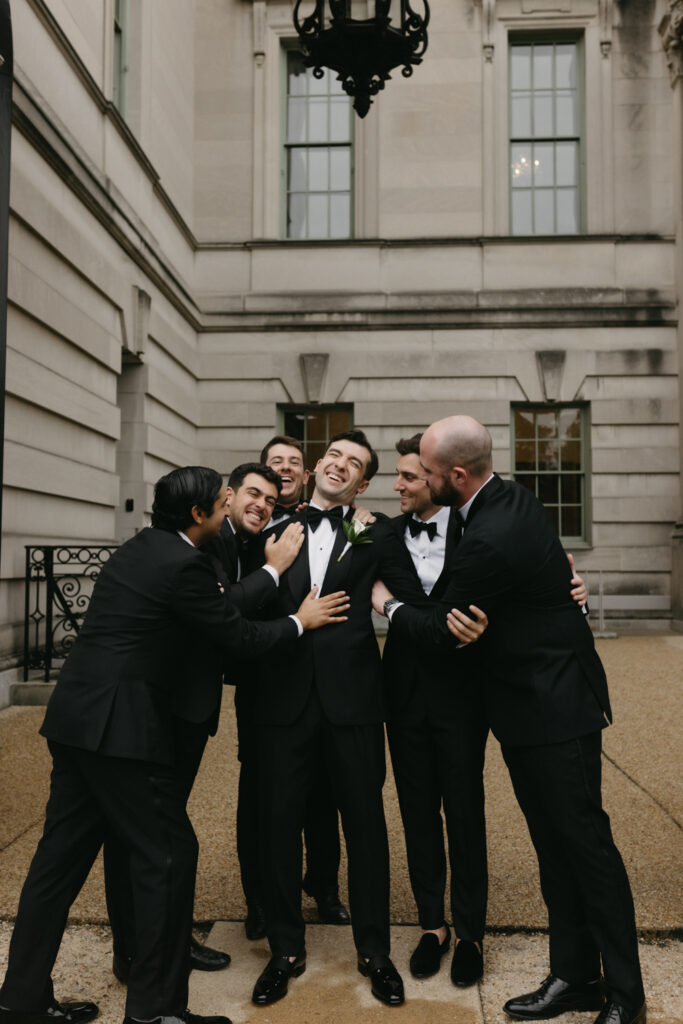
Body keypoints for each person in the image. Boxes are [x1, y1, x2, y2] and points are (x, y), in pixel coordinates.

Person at [0, 467, 349, 1024]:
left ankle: (19, 1002)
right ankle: (155, 1011)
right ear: (199, 515)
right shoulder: (184, 565)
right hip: (122, 734)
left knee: (56, 866)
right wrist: (299, 620)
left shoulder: (140, 548)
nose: (231, 504)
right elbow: (238, 636)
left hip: (74, 724)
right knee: (168, 855)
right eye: (223, 501)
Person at [373, 417, 646, 1024]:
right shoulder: (510, 492)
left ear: (458, 476)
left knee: (587, 849)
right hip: (524, 709)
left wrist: (386, 603)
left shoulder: (490, 536)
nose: (418, 480)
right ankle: (575, 975)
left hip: (553, 708)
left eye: (430, 472)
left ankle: (627, 996)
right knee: (554, 849)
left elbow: (443, 628)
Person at [247, 430, 485, 1009]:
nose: (338, 465)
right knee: (280, 827)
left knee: (367, 829)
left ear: (364, 481)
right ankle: (284, 951)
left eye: (353, 462)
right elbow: (234, 595)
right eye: (331, 456)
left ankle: (375, 953)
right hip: (282, 701)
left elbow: (438, 580)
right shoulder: (270, 529)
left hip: (354, 701)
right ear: (313, 468)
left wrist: (555, 593)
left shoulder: (381, 532)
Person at [103, 465, 304, 981]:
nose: (263, 503)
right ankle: (143, 950)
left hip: (186, 707)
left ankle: (160, 940)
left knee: (155, 832)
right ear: (226, 498)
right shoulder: (204, 540)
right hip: (160, 708)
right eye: (250, 493)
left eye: (273, 499)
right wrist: (275, 572)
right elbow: (224, 613)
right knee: (148, 836)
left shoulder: (242, 536)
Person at [260, 437, 349, 926]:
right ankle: (265, 901)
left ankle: (325, 887)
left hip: (330, 688)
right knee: (267, 799)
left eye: (294, 461)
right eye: (278, 462)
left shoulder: (352, 525)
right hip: (271, 679)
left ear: (308, 471)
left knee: (325, 797)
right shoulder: (254, 529)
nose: (287, 468)